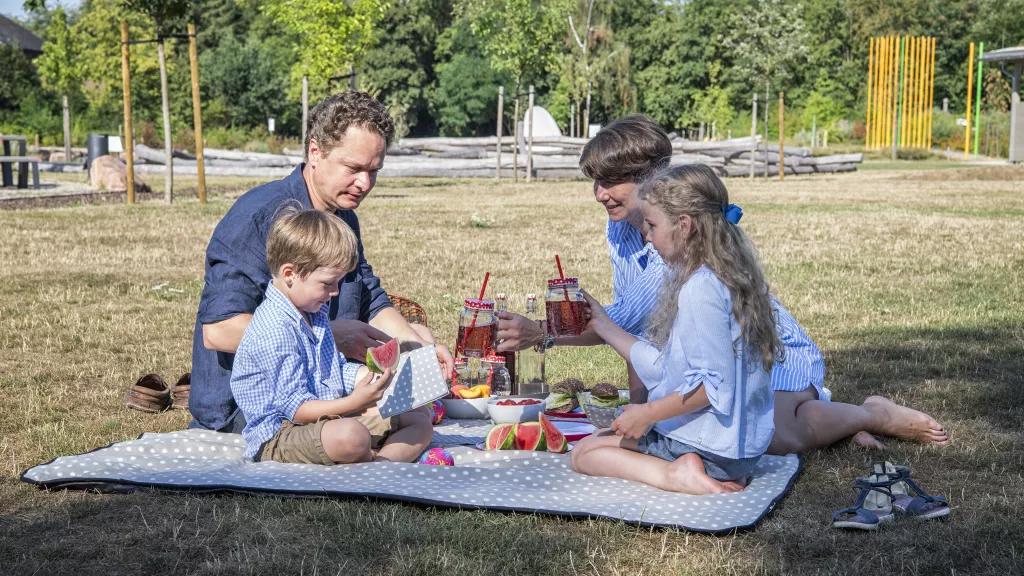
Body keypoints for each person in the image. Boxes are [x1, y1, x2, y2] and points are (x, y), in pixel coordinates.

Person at [498, 114, 950, 454]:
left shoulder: (678, 242)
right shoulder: (621, 229)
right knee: (707, 426)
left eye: (611, 181)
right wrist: (637, 410)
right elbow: (640, 330)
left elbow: (624, 320)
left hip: (766, 355)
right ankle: (842, 426)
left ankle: (873, 412)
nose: (599, 194)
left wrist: (543, 333)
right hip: (704, 363)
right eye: (594, 182)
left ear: (654, 176)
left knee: (768, 434)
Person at [190, 91, 453, 434]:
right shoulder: (258, 218)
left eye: (375, 171)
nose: (365, 183)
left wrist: (421, 350)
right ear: (315, 152)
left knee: (415, 378)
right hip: (249, 407)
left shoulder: (342, 216)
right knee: (388, 420)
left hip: (320, 387)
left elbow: (370, 298)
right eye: (354, 168)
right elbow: (218, 331)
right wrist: (329, 336)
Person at [571, 165, 777, 494]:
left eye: (652, 225)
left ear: (684, 226)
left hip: (710, 447)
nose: (648, 237)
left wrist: (647, 415)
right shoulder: (727, 278)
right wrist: (603, 325)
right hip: (739, 451)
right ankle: (701, 469)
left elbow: (713, 388)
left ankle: (676, 474)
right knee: (597, 444)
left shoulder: (700, 290)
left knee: (585, 453)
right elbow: (669, 369)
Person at [231, 207, 432, 464]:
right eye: (328, 283)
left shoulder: (314, 311)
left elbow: (333, 371)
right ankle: (368, 458)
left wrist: (372, 379)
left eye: (339, 282)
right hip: (281, 434)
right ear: (290, 274)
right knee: (352, 436)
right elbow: (297, 409)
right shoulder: (274, 329)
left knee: (418, 418)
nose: (336, 292)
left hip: (328, 417)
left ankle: (380, 468)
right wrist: (354, 402)